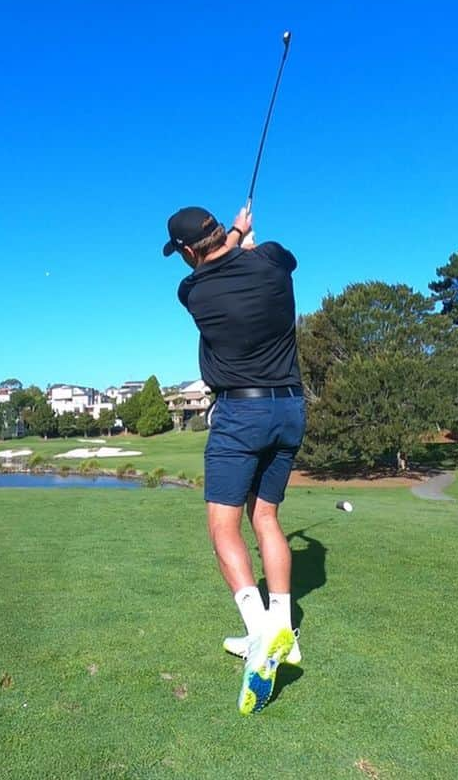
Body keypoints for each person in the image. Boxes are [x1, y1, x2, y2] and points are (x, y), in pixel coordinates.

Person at [162, 204, 305, 715]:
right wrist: (245, 239)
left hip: (240, 414)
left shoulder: (193, 291)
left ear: (184, 251)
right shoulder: (270, 261)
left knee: (223, 530)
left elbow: (210, 268)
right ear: (222, 231)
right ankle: (283, 630)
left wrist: (236, 238)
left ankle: (261, 633)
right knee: (265, 516)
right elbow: (276, 260)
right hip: (290, 407)